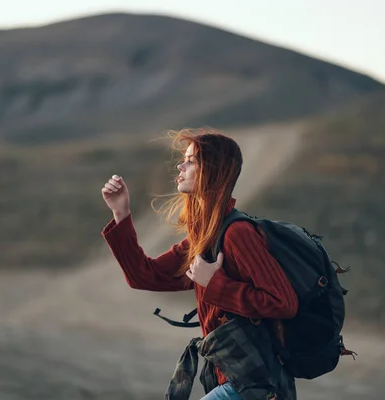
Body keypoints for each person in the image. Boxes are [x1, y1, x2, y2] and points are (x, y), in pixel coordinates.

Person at [100, 128, 299, 400]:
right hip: (230, 380)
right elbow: (144, 276)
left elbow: (283, 302)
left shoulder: (237, 233)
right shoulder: (204, 238)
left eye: (191, 160)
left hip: (255, 385)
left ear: (213, 170)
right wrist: (120, 212)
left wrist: (215, 284)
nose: (181, 166)